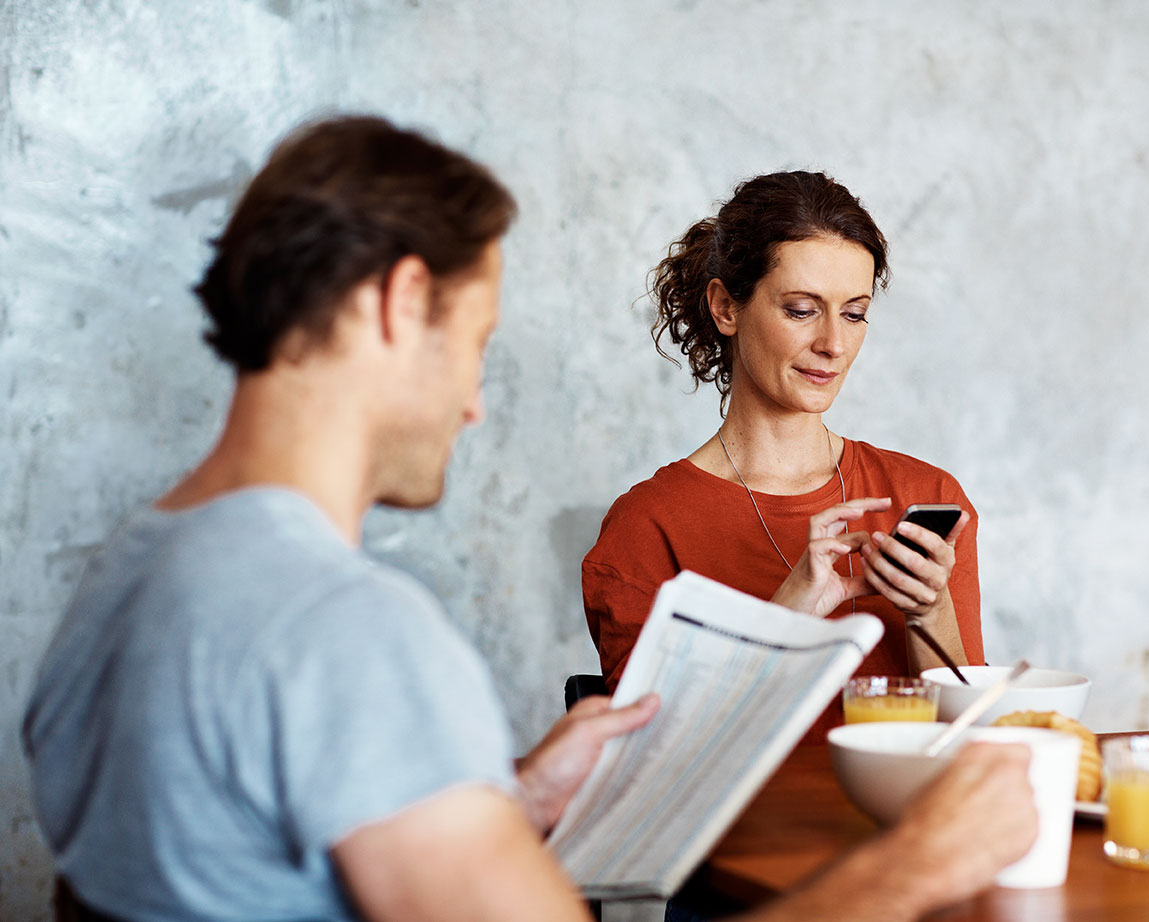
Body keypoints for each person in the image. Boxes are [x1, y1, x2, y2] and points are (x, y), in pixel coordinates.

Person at [24, 116, 1035, 922]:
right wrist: (916, 864)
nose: (473, 403)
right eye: (475, 343)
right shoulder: (348, 637)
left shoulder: (125, 576)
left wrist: (500, 798)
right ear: (397, 303)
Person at [584, 171, 982, 738]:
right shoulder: (647, 528)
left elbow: (969, 740)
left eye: (853, 312)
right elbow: (649, 763)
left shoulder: (929, 496)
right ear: (726, 307)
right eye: (801, 309)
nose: (833, 344)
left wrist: (929, 611)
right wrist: (788, 612)